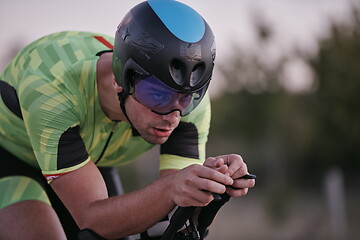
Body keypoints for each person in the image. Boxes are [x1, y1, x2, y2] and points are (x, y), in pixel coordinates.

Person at [0, 0, 255, 239]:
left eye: (188, 97)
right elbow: (92, 217)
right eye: (157, 95)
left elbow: (177, 210)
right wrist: (170, 188)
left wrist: (212, 182)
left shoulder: (187, 106)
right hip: (13, 158)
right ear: (119, 79)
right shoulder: (52, 89)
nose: (172, 117)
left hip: (90, 159)